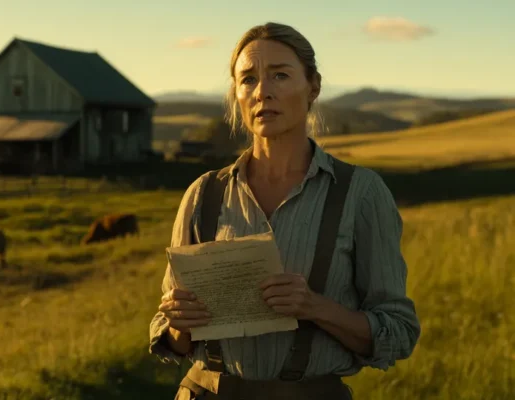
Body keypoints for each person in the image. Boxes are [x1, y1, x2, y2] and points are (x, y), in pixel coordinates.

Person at [148, 22, 421, 400]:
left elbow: (399, 332)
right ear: (236, 94)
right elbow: (170, 338)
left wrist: (315, 307)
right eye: (248, 79)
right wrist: (179, 323)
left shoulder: (360, 193)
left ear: (313, 87)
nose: (263, 92)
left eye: (280, 75)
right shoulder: (203, 194)